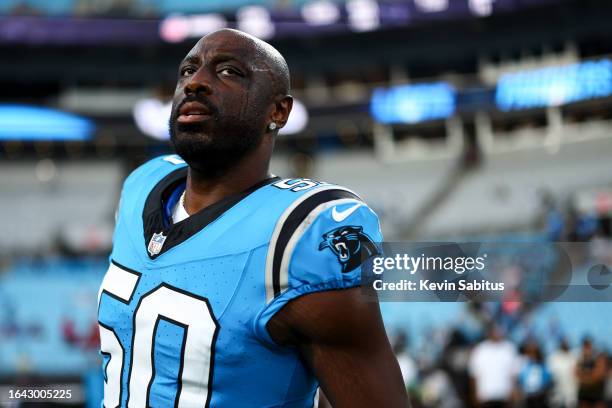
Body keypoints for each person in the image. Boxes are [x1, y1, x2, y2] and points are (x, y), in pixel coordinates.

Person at [97, 28, 408, 407]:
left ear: (278, 111)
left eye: (228, 71)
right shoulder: (141, 187)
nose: (195, 82)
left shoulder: (301, 236)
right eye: (187, 70)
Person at [468, 325, 519, 408]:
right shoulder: (480, 350)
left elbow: (514, 374)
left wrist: (514, 392)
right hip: (485, 397)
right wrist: (474, 395)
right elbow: (474, 375)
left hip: (505, 396)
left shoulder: (509, 348)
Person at [576, 338, 607, 408]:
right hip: (584, 397)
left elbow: (598, 375)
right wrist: (590, 376)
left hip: (597, 396)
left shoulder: (599, 357)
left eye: (588, 346)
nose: (586, 349)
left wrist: (585, 377)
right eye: (585, 347)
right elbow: (576, 373)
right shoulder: (580, 359)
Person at [548, 338, 578, 408]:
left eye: (567, 343)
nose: (565, 344)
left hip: (571, 391)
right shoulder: (553, 358)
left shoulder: (573, 357)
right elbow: (550, 375)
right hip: (557, 391)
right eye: (564, 343)